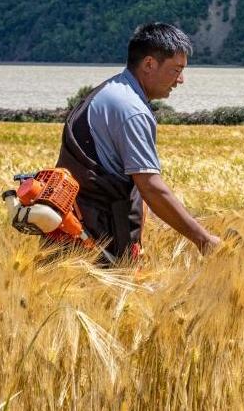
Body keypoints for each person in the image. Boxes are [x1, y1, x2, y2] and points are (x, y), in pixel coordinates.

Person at [54, 22, 221, 264]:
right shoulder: (131, 109)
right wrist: (204, 239)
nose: (181, 80)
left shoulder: (110, 90)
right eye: (176, 70)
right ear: (149, 64)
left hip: (70, 229)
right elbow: (150, 187)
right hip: (94, 239)